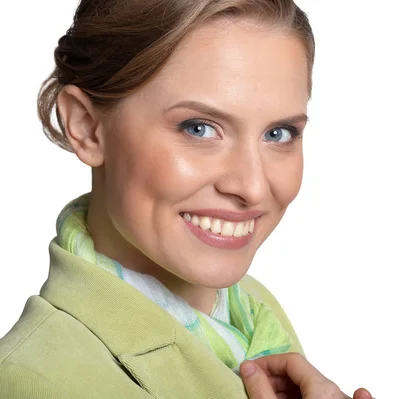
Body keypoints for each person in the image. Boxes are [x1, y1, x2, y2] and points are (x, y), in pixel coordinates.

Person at [0, 0, 373, 397]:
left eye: (278, 134)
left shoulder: (253, 309)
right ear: (87, 127)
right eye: (198, 128)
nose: (252, 187)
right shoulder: (33, 380)